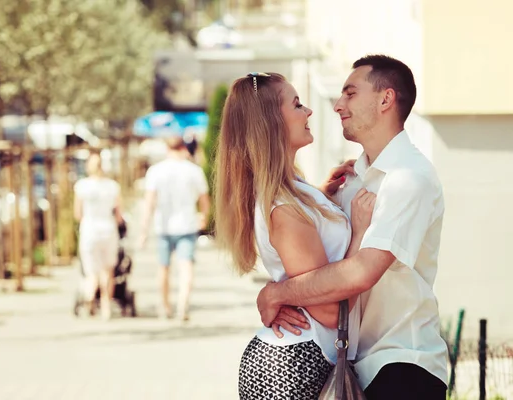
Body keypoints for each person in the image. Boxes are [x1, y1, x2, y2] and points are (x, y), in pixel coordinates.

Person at [256, 55, 449, 400]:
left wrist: (277, 293)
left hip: (402, 363)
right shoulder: (353, 180)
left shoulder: (408, 179)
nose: (337, 106)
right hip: (355, 364)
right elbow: (325, 256)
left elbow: (361, 272)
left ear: (385, 99)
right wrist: (322, 197)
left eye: (350, 93)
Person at [214, 72, 377, 399]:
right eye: (297, 104)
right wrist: (360, 232)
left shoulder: (293, 192)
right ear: (272, 122)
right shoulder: (285, 207)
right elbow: (331, 313)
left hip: (298, 360)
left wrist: (322, 199)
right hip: (292, 366)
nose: (309, 112)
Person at [138, 136, 210, 321]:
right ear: (183, 148)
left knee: (163, 268)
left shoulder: (155, 171)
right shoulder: (193, 171)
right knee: (186, 267)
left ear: (167, 148)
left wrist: (143, 230)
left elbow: (149, 202)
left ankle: (165, 307)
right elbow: (204, 199)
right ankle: (182, 306)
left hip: (163, 227)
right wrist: (204, 217)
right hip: (187, 225)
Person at [74, 153, 124, 320]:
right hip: (108, 230)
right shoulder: (112, 186)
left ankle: (89, 295)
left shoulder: (81, 186)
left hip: (89, 230)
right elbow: (119, 215)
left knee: (91, 272)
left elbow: (77, 213)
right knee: (107, 270)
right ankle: (106, 307)